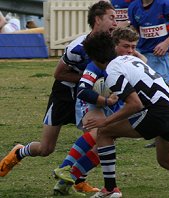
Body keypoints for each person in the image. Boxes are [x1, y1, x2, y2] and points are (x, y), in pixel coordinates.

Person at [68, 31, 169, 198]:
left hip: (158, 114)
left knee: (104, 132)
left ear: (93, 57)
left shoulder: (112, 71)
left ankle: (110, 189)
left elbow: (134, 104)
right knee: (166, 161)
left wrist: (105, 121)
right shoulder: (132, 59)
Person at [0, 1, 117, 195]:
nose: (116, 21)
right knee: (46, 148)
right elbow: (59, 74)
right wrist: (89, 79)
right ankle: (19, 152)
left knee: (100, 137)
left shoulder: (113, 44)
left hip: (87, 97)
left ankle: (77, 179)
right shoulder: (77, 48)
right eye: (111, 17)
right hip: (64, 95)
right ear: (98, 19)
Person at [52, 27, 146, 196]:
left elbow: (143, 67)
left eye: (134, 47)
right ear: (114, 46)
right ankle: (64, 167)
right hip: (92, 103)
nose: (131, 51)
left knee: (102, 147)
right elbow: (82, 90)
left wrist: (139, 57)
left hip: (111, 105)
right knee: (99, 133)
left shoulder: (126, 62)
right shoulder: (97, 63)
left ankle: (65, 181)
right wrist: (105, 100)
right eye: (126, 46)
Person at [128, 0, 169, 148]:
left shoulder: (166, 3)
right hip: (143, 53)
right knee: (146, 91)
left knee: (160, 92)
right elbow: (135, 30)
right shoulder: (134, 7)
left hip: (163, 54)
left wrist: (167, 42)